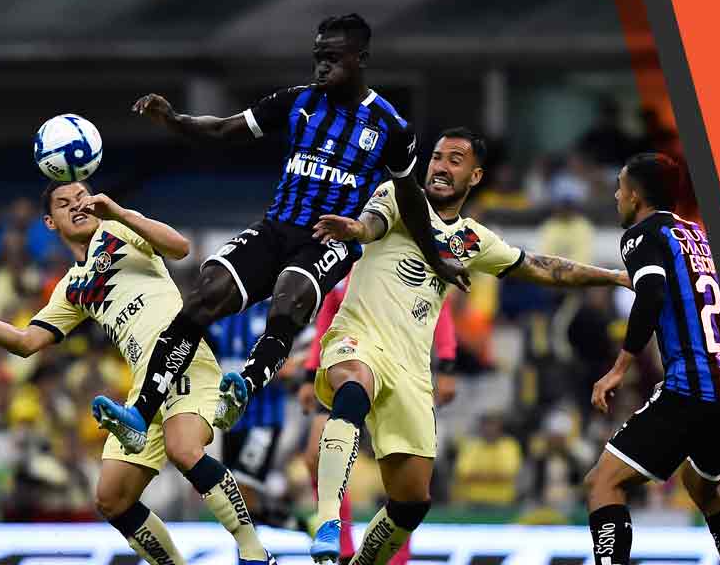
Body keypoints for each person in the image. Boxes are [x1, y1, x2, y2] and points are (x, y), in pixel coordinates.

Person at [115, 13, 469, 452]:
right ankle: (140, 413)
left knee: (290, 292)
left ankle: (243, 385)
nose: (322, 67)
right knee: (205, 294)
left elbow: (410, 197)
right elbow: (225, 129)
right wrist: (174, 119)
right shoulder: (298, 101)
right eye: (318, 57)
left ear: (361, 59)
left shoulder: (390, 127)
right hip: (276, 227)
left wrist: (436, 256)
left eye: (333, 58)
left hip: (330, 239)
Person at [308, 127, 628, 563]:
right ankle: (328, 518)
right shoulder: (399, 196)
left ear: (475, 177)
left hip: (412, 370)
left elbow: (538, 267)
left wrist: (613, 276)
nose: (439, 166)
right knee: (352, 385)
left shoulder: (472, 240)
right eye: (436, 157)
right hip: (359, 338)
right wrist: (357, 229)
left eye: (454, 160)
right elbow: (371, 224)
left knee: (412, 502)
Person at [0, 181, 273, 565]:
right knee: (111, 498)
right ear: (50, 222)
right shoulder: (71, 288)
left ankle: (254, 552)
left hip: (183, 356)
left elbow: (181, 247)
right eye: (64, 204)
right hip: (144, 387)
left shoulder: (121, 230)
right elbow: (27, 342)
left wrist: (119, 213)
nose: (77, 206)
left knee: (184, 449)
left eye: (81, 198)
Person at [584, 153, 720, 565]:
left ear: (636, 195)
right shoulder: (703, 237)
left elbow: (652, 293)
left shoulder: (643, 235)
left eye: (620, 187)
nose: (616, 195)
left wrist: (618, 369)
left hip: (693, 387)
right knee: (702, 485)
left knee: (603, 483)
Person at [298, 276, 458, 565]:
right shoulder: (350, 256)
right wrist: (312, 372)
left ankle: (396, 556)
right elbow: (329, 316)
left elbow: (438, 305)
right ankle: (342, 548)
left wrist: (446, 362)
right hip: (352, 365)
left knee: (402, 473)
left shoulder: (403, 253)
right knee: (316, 455)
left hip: (399, 373)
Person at [206, 299, 302, 531]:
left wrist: (286, 368)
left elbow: (296, 361)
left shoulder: (274, 311)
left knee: (242, 489)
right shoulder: (220, 315)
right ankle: (292, 522)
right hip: (231, 420)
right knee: (236, 497)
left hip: (264, 419)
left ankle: (252, 555)